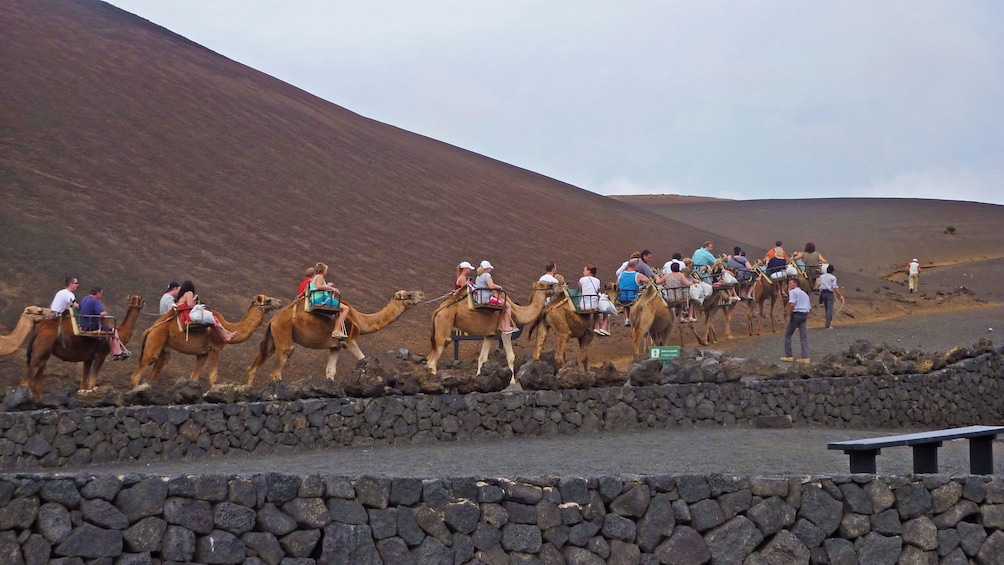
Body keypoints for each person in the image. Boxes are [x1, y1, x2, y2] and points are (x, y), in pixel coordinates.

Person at [79, 287, 131, 360]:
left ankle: (116, 353)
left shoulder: (85, 299)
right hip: (93, 326)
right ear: (98, 293)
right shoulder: (95, 301)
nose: (100, 296)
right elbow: (102, 313)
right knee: (114, 331)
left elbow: (78, 307)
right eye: (101, 294)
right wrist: (104, 313)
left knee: (109, 335)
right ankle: (119, 352)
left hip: (83, 325)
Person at [309, 262, 349, 339]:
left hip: (317, 298)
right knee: (346, 308)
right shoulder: (320, 277)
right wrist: (332, 288)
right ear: (323, 271)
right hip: (321, 300)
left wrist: (327, 286)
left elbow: (319, 286)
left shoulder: (315, 277)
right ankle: (337, 330)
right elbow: (318, 286)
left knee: (341, 308)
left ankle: (337, 329)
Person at [474, 261, 516, 334]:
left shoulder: (478, 277)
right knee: (508, 306)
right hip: (487, 299)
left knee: (502, 309)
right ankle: (507, 327)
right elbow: (491, 286)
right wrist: (499, 287)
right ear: (487, 268)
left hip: (480, 299)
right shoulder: (487, 275)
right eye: (490, 268)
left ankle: (504, 327)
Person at [781, 278, 811, 362]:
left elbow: (792, 304)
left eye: (790, 283)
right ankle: (806, 357)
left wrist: (789, 315)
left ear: (795, 284)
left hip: (796, 314)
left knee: (788, 334)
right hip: (804, 315)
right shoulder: (805, 294)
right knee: (804, 337)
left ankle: (788, 355)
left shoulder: (792, 292)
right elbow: (809, 308)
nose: (789, 285)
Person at [617, 258, 650, 326]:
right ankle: (636, 318)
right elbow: (649, 281)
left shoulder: (620, 275)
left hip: (622, 298)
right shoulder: (638, 275)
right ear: (635, 266)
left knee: (626, 304)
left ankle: (627, 319)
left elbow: (617, 284)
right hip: (633, 298)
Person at [579, 264, 609, 336]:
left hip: (583, 305)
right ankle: (601, 327)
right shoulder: (597, 281)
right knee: (604, 311)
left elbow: (581, 290)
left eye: (584, 270)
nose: (583, 272)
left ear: (589, 271)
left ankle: (596, 328)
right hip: (593, 305)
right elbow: (596, 290)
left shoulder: (582, 279)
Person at [816, 265, 845, 329]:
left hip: (823, 294)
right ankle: (828, 325)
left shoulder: (822, 276)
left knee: (827, 309)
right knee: (829, 310)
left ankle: (828, 322)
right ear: (832, 271)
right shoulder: (833, 277)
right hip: (829, 294)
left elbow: (818, 285)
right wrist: (840, 296)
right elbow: (835, 287)